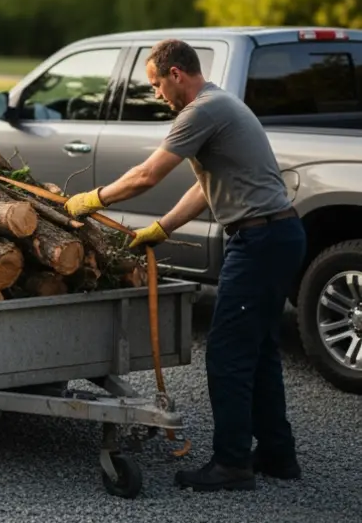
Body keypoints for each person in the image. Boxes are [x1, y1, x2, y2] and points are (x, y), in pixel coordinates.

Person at [63, 38, 306, 492]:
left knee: (228, 355)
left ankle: (232, 463)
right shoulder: (220, 106)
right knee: (260, 350)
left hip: (259, 240)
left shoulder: (200, 111)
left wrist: (92, 198)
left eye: (156, 84)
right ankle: (277, 454)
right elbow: (204, 187)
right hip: (279, 235)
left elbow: (146, 175)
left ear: (177, 74)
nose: (156, 94)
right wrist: (163, 227)